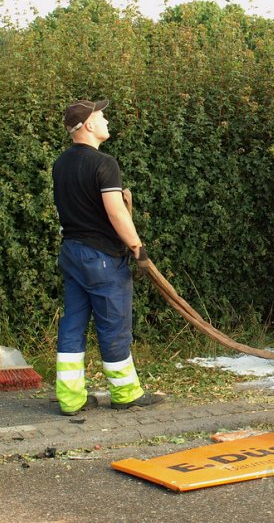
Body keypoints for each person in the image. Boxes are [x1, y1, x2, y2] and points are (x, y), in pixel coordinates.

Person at [52, 99, 164, 416]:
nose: (106, 122)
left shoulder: (61, 163)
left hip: (72, 253)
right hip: (102, 257)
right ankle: (125, 394)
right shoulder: (104, 163)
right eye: (102, 117)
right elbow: (115, 212)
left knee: (73, 324)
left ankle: (71, 398)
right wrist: (138, 249)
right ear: (88, 125)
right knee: (114, 326)